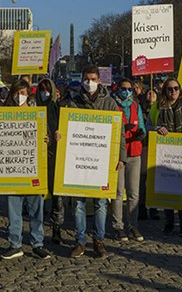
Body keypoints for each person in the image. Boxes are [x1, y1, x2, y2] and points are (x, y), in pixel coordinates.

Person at [65, 66, 127, 258]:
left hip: (103, 162)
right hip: (79, 160)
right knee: (79, 204)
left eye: (92, 79)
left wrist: (121, 158)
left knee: (101, 203)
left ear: (99, 81)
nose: (89, 82)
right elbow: (67, 129)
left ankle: (99, 240)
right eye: (86, 79)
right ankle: (80, 241)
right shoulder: (74, 103)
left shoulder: (109, 103)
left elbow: (120, 133)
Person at [1, 80, 52, 260]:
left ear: (28, 94)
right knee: (14, 209)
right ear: (12, 94)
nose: (20, 95)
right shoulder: (3, 113)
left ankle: (37, 244)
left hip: (33, 166)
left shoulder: (37, 113)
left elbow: (46, 135)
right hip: (12, 168)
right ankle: (15, 244)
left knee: (36, 208)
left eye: (23, 92)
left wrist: (47, 140)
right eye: (17, 92)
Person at [149, 78, 182, 237]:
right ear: (165, 90)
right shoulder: (157, 106)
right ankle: (169, 222)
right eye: (169, 89)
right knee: (168, 188)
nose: (173, 92)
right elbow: (149, 125)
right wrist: (157, 128)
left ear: (180, 90)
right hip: (165, 151)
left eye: (176, 88)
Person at [111, 78, 146, 242]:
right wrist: (122, 130)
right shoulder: (113, 105)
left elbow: (142, 126)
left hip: (134, 152)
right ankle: (117, 226)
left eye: (129, 89)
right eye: (123, 89)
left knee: (134, 193)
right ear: (118, 89)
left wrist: (141, 133)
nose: (126, 92)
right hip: (119, 154)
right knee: (118, 193)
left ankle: (133, 225)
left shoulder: (135, 105)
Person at [34, 78, 66, 245]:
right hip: (37, 157)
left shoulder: (58, 108)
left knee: (56, 196)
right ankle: (37, 229)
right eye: (41, 90)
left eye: (47, 90)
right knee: (38, 196)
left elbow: (65, 129)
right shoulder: (34, 109)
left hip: (54, 155)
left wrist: (58, 136)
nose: (44, 93)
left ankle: (56, 228)